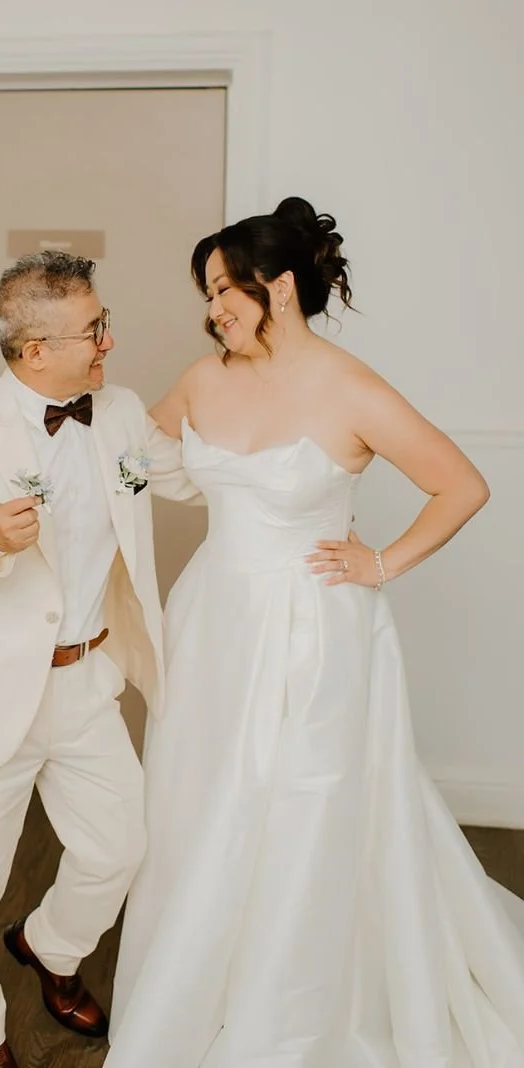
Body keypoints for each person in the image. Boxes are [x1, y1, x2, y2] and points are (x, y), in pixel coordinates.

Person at [106, 198, 524, 1065]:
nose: (213, 305)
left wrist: (382, 563)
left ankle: (288, 1005)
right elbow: (134, 462)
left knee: (299, 807)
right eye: (209, 291)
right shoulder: (203, 377)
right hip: (215, 617)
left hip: (313, 630)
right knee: (199, 802)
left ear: (282, 287)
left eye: (226, 287)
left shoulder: (352, 387)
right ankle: (197, 987)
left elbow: (462, 484)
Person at [0, 251, 201, 1068]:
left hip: (90, 683)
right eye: (93, 329)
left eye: (102, 321)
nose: (109, 340)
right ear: (34, 351)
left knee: (121, 848)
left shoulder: (122, 412)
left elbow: (192, 481)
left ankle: (50, 946)